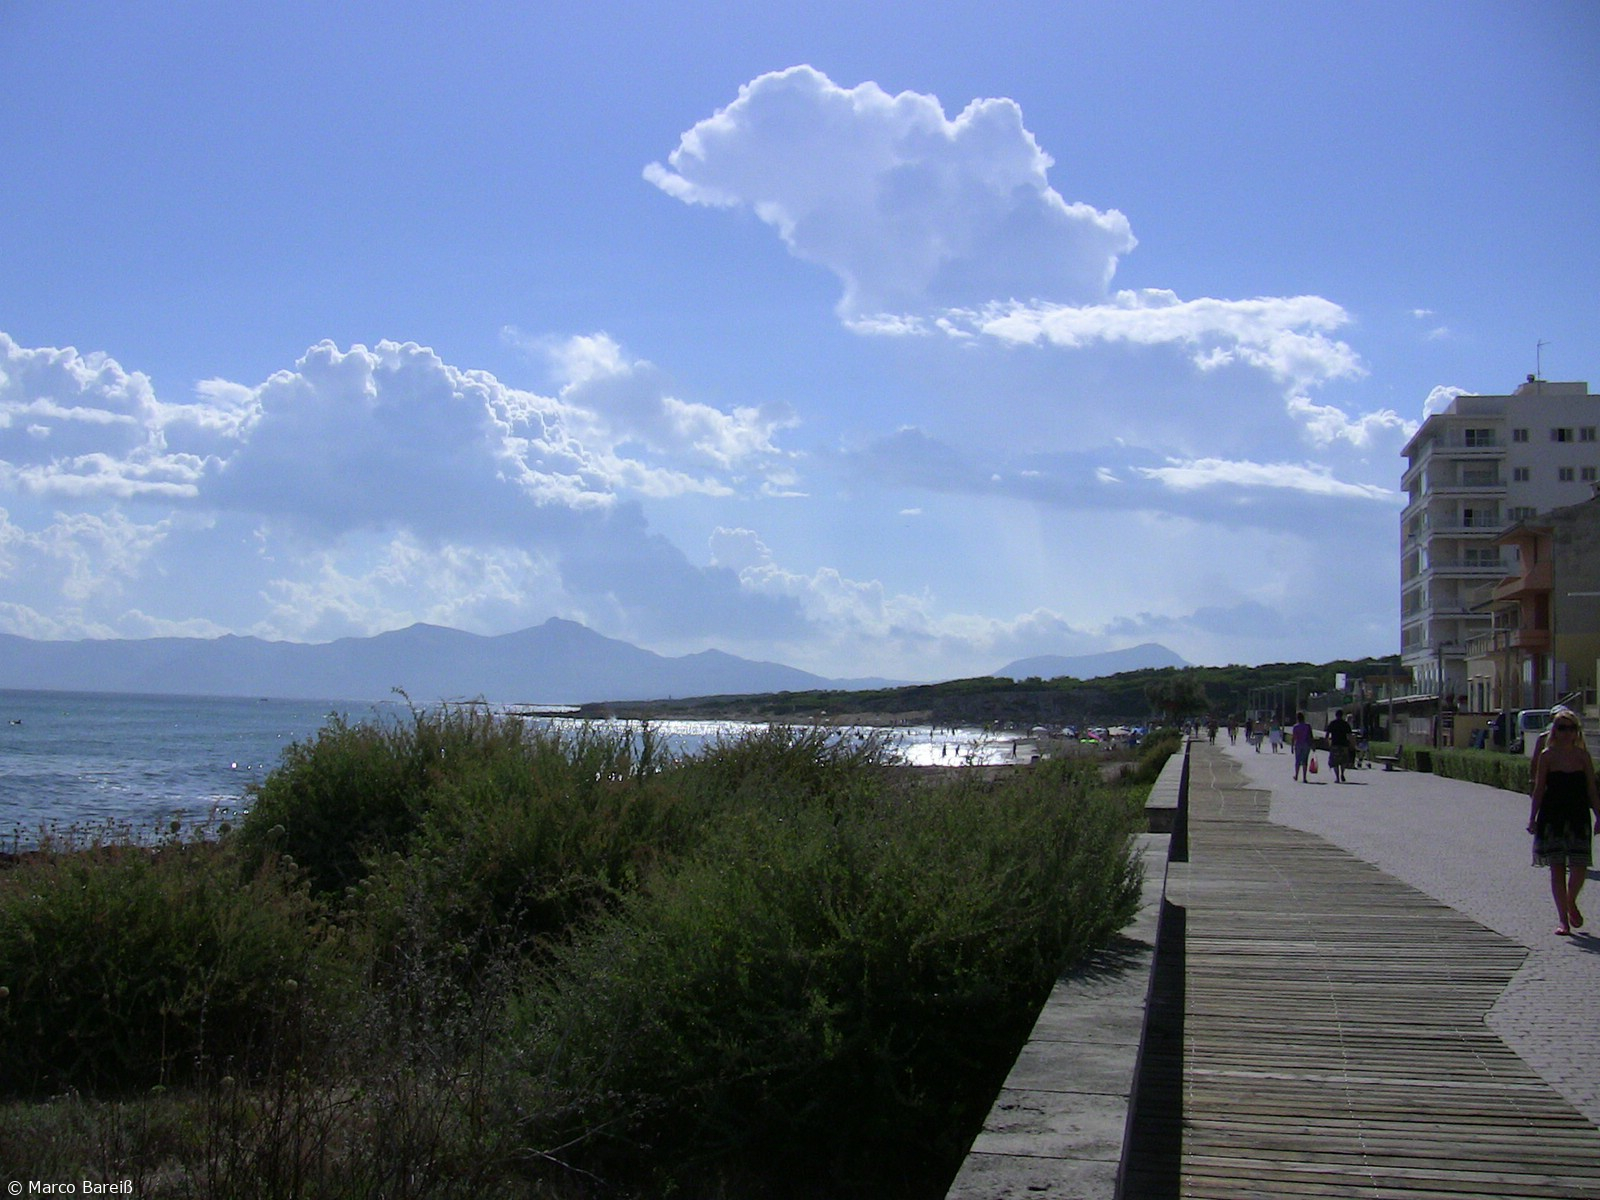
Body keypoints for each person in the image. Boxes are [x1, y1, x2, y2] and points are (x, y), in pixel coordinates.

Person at [1527, 712, 1600, 936]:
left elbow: (1591, 789)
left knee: (1579, 866)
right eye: (1561, 728)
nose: (1566, 733)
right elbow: (1539, 788)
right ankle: (1563, 920)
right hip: (1553, 816)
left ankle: (1570, 901)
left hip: (1578, 815)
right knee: (1556, 867)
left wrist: (1599, 815)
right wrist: (1532, 817)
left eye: (1571, 728)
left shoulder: (1582, 756)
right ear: (1554, 731)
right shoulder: (1547, 756)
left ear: (1577, 732)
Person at [1326, 709, 1355, 783]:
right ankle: (1342, 773)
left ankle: (1337, 777)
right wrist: (1351, 744)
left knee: (1335, 762)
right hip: (1344, 744)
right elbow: (1349, 735)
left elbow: (1327, 735)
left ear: (1336, 715)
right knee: (1343, 760)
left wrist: (1328, 743)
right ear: (1342, 715)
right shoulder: (1345, 724)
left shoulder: (1332, 723)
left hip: (1334, 744)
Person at [1291, 711, 1314, 782]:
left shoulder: (1295, 726)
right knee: (1305, 760)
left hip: (1298, 744)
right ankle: (1304, 777)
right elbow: (1311, 736)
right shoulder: (1308, 726)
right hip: (1306, 744)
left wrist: (1292, 746)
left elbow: (1293, 737)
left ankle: (1296, 775)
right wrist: (1313, 745)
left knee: (1297, 760)